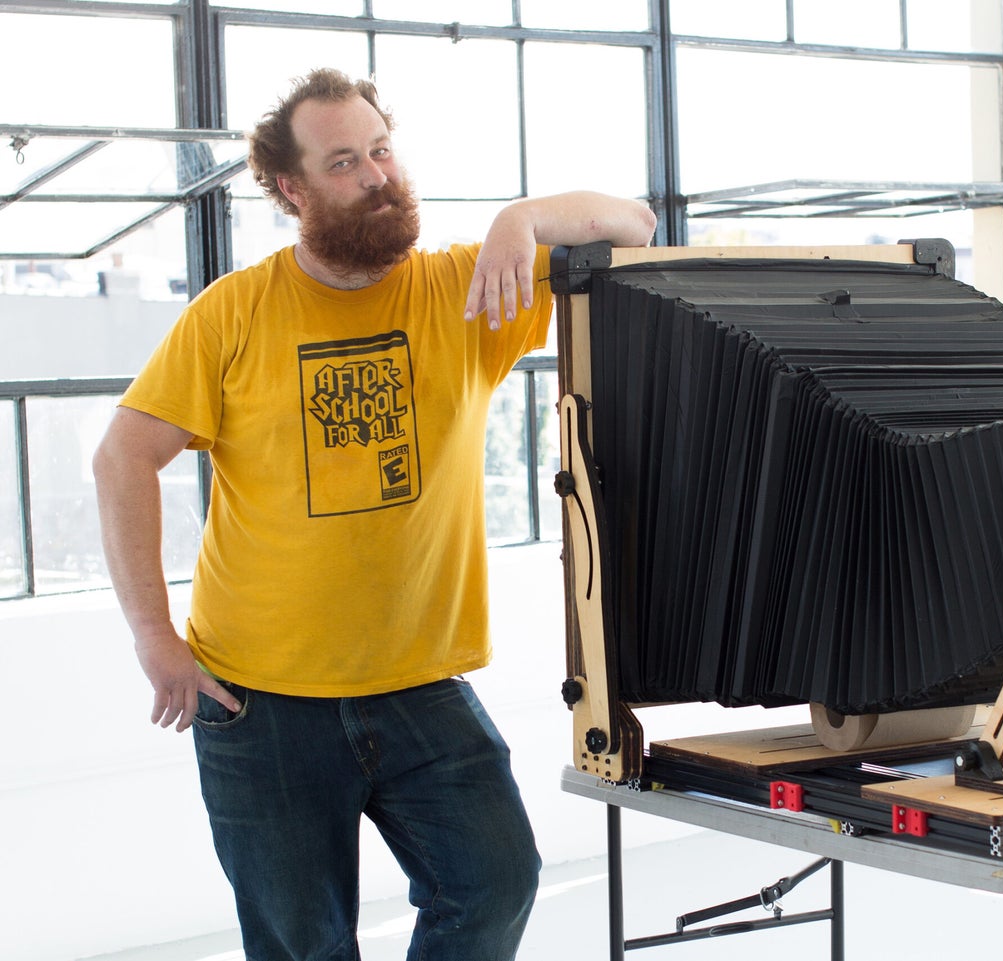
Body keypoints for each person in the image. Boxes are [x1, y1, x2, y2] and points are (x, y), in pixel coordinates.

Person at [92, 67, 656, 961]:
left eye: (382, 150)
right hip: (259, 699)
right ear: (292, 188)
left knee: (496, 881)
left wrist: (522, 217)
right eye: (345, 162)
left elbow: (634, 225)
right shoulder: (232, 314)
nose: (377, 176)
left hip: (420, 685)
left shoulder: (466, 290)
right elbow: (123, 457)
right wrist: (152, 635)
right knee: (302, 945)